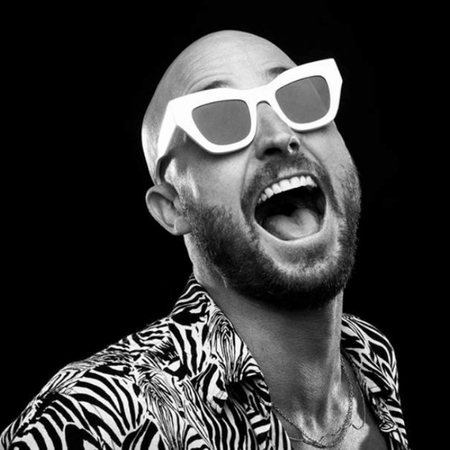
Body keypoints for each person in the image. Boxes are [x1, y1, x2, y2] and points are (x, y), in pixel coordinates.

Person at [1, 30, 409, 450]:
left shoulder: (370, 355)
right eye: (220, 120)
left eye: (298, 97)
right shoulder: (93, 421)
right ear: (172, 207)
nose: (279, 134)